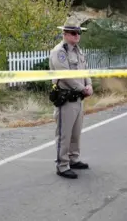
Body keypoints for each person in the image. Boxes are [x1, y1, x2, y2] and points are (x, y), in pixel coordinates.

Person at [48, 17, 93, 179]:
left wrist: (90, 85)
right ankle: (62, 165)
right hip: (66, 98)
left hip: (79, 98)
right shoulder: (59, 52)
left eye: (79, 33)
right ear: (65, 33)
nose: (77, 36)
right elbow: (65, 76)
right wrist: (83, 89)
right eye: (73, 33)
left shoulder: (78, 51)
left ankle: (73, 159)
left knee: (76, 133)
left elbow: (85, 71)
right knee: (64, 134)